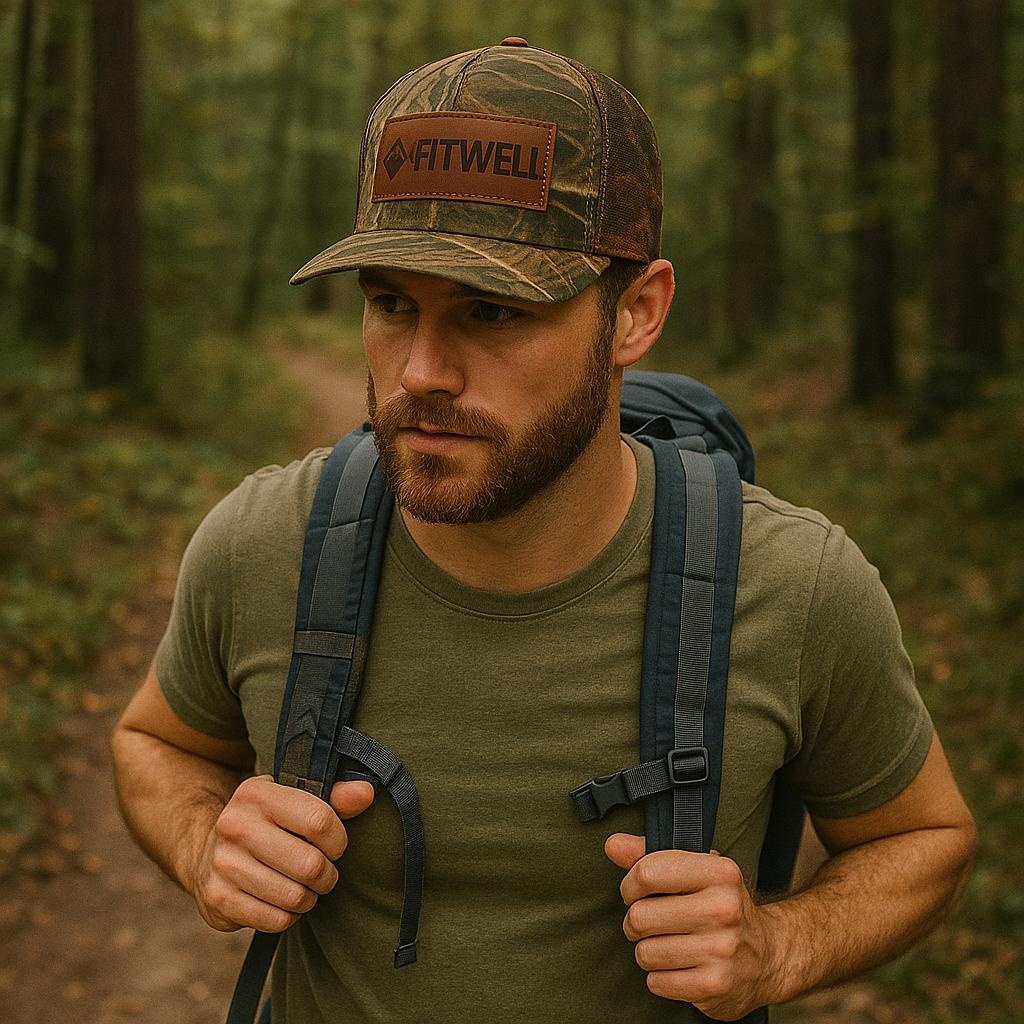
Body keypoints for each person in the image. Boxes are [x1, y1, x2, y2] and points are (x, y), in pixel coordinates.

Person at [111, 38, 975, 1024]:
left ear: (635, 313)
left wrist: (778, 946)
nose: (421, 371)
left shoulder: (795, 585)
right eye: (391, 303)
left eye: (492, 310)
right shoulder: (263, 543)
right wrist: (203, 840)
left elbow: (925, 838)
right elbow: (153, 742)